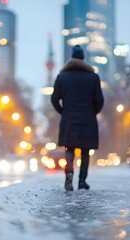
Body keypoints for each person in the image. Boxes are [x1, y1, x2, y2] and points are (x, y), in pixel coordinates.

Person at [51, 45, 104, 191]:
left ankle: (69, 175)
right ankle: (82, 181)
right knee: (85, 151)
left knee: (70, 148)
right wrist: (92, 113)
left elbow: (54, 99)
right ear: (83, 58)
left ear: (72, 58)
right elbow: (100, 101)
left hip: (69, 119)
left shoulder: (62, 77)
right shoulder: (93, 77)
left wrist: (63, 112)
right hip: (88, 120)